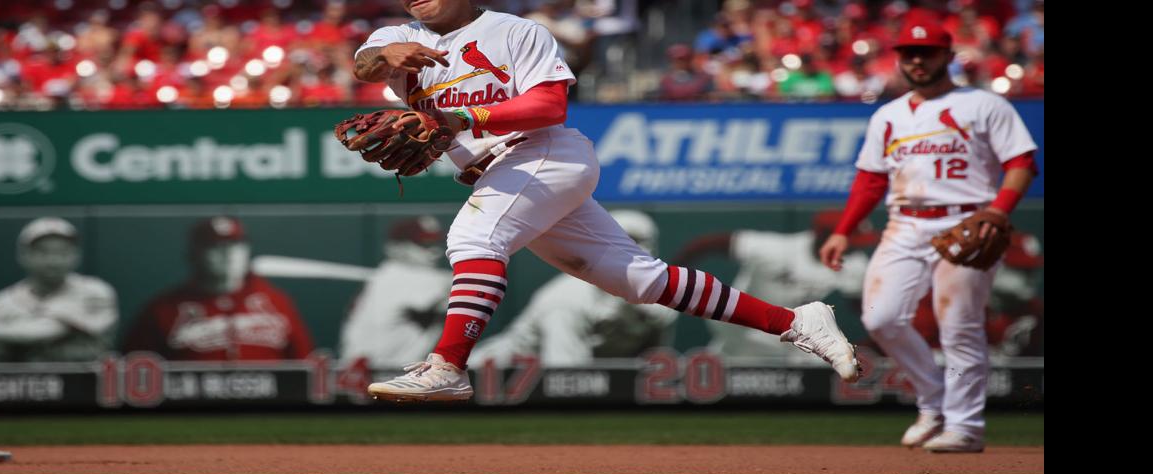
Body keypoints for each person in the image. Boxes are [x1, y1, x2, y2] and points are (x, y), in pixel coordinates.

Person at [350, 0, 860, 403]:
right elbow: (365, 64)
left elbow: (549, 104)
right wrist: (383, 57)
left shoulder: (515, 31)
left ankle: (447, 366)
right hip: (498, 172)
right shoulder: (397, 36)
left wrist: (465, 121)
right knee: (642, 280)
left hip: (541, 152)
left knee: (475, 237)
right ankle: (797, 323)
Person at [818, 14, 1037, 453]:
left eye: (927, 52)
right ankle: (933, 401)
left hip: (967, 220)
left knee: (959, 325)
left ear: (948, 56)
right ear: (898, 58)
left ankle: (966, 425)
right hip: (904, 223)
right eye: (908, 53)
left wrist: (998, 211)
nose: (917, 60)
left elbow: (1022, 163)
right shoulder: (889, 115)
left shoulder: (984, 105)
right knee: (881, 317)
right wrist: (843, 230)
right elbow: (870, 179)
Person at [473, 210, 677, 366]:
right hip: (491, 374)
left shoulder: (658, 302)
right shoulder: (568, 298)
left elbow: (650, 373)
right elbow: (565, 378)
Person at [674, 210, 877, 367]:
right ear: (825, 236)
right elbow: (704, 244)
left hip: (794, 339)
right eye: (852, 241)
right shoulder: (774, 249)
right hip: (743, 333)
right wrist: (673, 282)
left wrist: (869, 344)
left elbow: (864, 309)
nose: (856, 247)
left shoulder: (854, 264)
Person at [123, 216, 315, 361]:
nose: (227, 254)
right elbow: (132, 371)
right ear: (193, 254)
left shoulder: (276, 302)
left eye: (235, 246)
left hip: (269, 408)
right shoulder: (163, 309)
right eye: (215, 247)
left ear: (247, 251)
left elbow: (305, 365)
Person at [0, 218, 118, 363]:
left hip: (90, 393)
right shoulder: (1, 303)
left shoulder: (96, 292)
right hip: (24, 396)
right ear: (23, 256)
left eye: (63, 252)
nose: (54, 260)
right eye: (43, 252)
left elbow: (44, 331)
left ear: (76, 256)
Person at [338, 216, 455, 368]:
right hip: (381, 374)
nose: (435, 251)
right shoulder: (403, 276)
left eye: (437, 243)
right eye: (425, 244)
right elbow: (468, 289)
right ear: (398, 247)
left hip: (368, 371)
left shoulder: (386, 274)